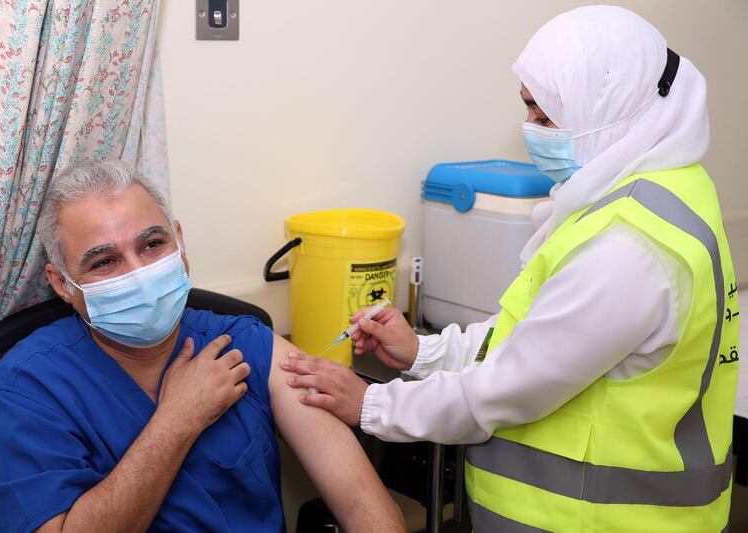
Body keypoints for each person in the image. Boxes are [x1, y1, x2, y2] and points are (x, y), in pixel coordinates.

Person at [282, 5, 740, 532]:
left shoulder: (629, 248)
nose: (531, 130)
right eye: (529, 110)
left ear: (609, 107)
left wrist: (371, 404)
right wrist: (424, 351)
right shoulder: (651, 194)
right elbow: (528, 339)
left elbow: (507, 387)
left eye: (547, 117)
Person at [0, 160, 405, 533]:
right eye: (105, 261)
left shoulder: (245, 342)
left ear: (179, 241)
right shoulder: (24, 389)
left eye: (152, 244)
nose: (139, 272)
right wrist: (177, 420)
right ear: (61, 284)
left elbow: (361, 500)